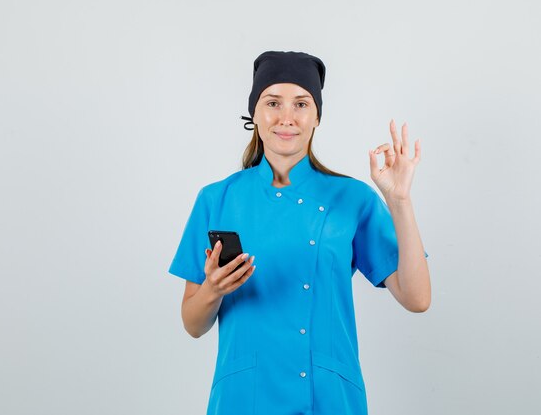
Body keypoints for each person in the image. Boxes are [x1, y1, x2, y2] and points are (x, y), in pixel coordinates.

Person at [168, 50, 431, 415]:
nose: (286, 117)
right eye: (273, 102)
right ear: (255, 114)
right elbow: (193, 324)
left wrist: (400, 200)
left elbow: (417, 298)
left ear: (317, 116)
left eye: (301, 104)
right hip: (244, 398)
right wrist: (212, 290)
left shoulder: (351, 198)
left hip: (329, 398)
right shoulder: (217, 199)